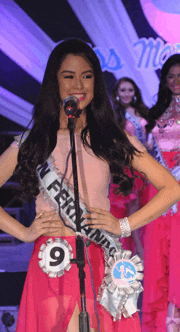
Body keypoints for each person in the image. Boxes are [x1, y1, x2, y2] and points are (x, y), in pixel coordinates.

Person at [0, 39, 180, 332]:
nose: (79, 84)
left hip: (100, 257)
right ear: (55, 82)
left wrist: (124, 226)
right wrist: (24, 233)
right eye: (69, 76)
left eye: (87, 76)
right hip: (52, 261)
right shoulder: (36, 141)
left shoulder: (111, 138)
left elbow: (172, 188)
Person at [142, 54, 180, 332]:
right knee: (159, 261)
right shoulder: (156, 112)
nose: (176, 81)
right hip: (159, 191)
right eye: (171, 76)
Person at [110, 77, 149, 259]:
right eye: (123, 90)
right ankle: (136, 252)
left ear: (135, 93)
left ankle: (141, 252)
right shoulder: (114, 115)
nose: (126, 94)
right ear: (117, 93)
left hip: (145, 166)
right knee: (129, 212)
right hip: (126, 168)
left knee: (143, 210)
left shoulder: (142, 112)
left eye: (130, 90)